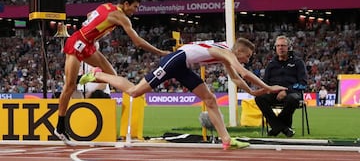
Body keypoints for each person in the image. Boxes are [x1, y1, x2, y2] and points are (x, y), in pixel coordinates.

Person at [80, 38, 287, 150]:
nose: (247, 59)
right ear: (239, 52)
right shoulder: (226, 53)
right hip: (175, 60)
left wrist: (251, 91)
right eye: (247, 56)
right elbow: (243, 72)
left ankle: (226, 140)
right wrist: (269, 88)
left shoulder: (226, 51)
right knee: (134, 91)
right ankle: (99, 75)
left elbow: (235, 78)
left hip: (183, 65)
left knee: (210, 99)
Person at [54, 0, 169, 145]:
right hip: (77, 44)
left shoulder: (106, 6)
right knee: (69, 87)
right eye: (134, 7)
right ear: (126, 4)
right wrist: (160, 52)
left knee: (111, 74)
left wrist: (94, 32)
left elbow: (90, 14)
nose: (136, 11)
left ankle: (83, 78)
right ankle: (60, 128)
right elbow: (138, 42)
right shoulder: (121, 17)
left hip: (87, 44)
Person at [255, 35, 308, 137]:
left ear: (289, 47)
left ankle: (276, 127)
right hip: (274, 93)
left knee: (293, 99)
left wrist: (287, 91)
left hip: (292, 93)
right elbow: (265, 82)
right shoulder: (271, 64)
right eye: (278, 46)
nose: (280, 48)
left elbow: (303, 84)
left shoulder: (298, 62)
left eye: (283, 45)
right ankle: (283, 128)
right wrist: (268, 89)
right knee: (259, 98)